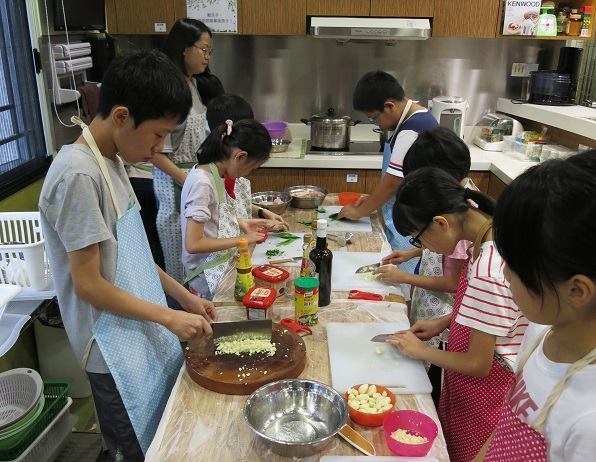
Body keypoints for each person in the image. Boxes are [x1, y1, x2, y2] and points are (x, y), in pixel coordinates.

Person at [38, 50, 216, 461]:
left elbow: (131, 256)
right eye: (156, 135)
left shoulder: (112, 161)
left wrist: (183, 297)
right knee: (133, 447)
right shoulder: (78, 175)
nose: (159, 149)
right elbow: (89, 284)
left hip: (139, 328)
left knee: (159, 437)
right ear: (121, 116)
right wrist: (170, 316)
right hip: (111, 348)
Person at [386, 167, 527, 462]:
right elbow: (492, 313)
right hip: (464, 383)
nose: (422, 247)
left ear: (440, 223)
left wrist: (421, 350)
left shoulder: (489, 267)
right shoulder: (486, 237)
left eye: (418, 238)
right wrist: (444, 322)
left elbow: (478, 364)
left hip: (485, 396)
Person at [474, 150, 596, 462]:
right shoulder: (541, 331)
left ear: (577, 291)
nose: (503, 273)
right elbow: (506, 425)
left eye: (514, 266)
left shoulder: (588, 420)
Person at [374, 128, 474, 349]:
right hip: (433, 308)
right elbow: (442, 246)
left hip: (443, 312)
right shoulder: (451, 208)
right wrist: (414, 252)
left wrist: (405, 277)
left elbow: (454, 281)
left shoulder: (462, 218)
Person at [338, 70, 438, 273]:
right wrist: (371, 200)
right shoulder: (415, 120)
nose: (376, 124)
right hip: (407, 216)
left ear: (390, 106)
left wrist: (359, 211)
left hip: (412, 223)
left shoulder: (412, 129)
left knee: (405, 281)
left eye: (374, 118)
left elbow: (393, 182)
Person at [153, 18, 222, 283]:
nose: (207, 57)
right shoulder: (169, 88)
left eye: (209, 51)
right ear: (184, 48)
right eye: (203, 49)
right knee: (183, 262)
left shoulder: (192, 83)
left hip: (193, 181)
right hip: (175, 186)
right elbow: (156, 152)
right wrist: (189, 181)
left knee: (202, 260)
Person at [181, 119, 271, 299]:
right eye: (252, 167)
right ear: (240, 156)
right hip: (205, 274)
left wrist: (241, 222)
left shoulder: (215, 175)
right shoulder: (202, 182)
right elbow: (193, 244)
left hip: (220, 262)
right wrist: (242, 239)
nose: (249, 173)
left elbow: (212, 222)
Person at [206, 93, 289, 231]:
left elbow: (237, 205)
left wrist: (263, 213)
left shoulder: (229, 170)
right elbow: (214, 223)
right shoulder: (209, 178)